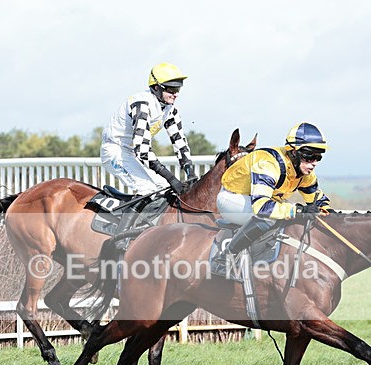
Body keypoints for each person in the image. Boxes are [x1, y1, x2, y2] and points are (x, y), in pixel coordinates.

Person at [211, 122, 332, 277]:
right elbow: (262, 207)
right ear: (293, 152)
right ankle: (224, 258)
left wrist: (327, 212)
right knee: (268, 218)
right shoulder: (268, 163)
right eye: (309, 156)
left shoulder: (305, 173)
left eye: (318, 157)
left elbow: (319, 200)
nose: (314, 163)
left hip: (259, 199)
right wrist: (298, 210)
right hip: (232, 198)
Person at [100, 62, 198, 197]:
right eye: (170, 89)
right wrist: (171, 178)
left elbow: (179, 141)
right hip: (115, 152)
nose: (175, 94)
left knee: (165, 189)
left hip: (132, 154)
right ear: (156, 87)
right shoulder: (141, 105)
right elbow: (142, 149)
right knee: (148, 190)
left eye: (178, 90)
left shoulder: (170, 109)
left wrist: (189, 171)